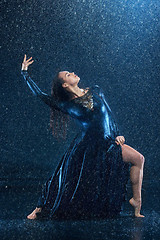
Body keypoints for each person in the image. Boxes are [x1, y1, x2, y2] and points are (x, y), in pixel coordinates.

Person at [21, 54, 145, 219]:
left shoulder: (95, 90)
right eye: (68, 75)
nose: (72, 73)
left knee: (138, 158)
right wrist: (25, 73)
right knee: (64, 179)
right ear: (65, 84)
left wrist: (118, 133)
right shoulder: (66, 104)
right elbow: (41, 95)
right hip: (86, 149)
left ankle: (137, 201)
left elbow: (108, 114)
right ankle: (40, 208)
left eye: (70, 72)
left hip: (108, 143)